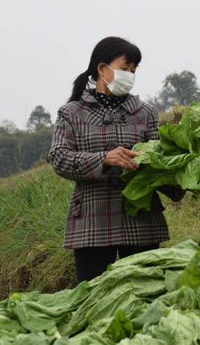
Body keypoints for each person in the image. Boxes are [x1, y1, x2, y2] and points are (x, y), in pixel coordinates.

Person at [47, 36, 184, 283]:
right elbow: (59, 158)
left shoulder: (145, 113)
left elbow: (161, 161)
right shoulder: (72, 113)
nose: (129, 75)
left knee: (146, 295)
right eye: (124, 69)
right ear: (102, 69)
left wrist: (180, 171)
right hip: (92, 221)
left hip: (141, 221)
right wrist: (104, 159)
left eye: (133, 71)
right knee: (92, 300)